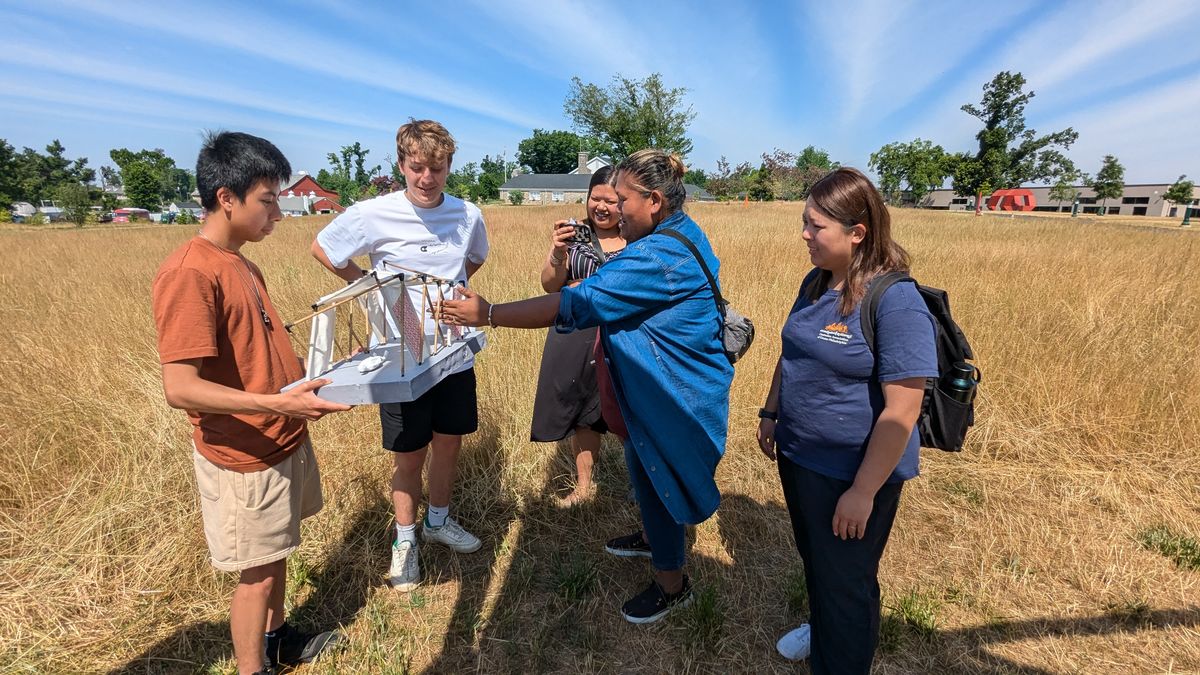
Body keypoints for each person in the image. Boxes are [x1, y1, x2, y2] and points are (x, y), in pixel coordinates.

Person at [440, 149, 733, 624]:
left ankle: (672, 584)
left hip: (675, 395)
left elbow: (573, 304)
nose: (613, 208)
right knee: (646, 470)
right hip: (652, 390)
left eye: (622, 199)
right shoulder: (677, 229)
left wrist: (489, 314)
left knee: (665, 475)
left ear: (654, 200)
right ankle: (654, 538)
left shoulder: (658, 255)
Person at [152, 131, 350, 675]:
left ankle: (278, 638)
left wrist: (331, 374)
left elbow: (257, 351)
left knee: (276, 552)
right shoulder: (191, 271)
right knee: (255, 573)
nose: (278, 214)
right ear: (226, 198)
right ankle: (251, 667)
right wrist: (279, 405)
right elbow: (181, 387)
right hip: (242, 453)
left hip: (278, 439)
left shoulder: (240, 260)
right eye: (268, 200)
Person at [757, 168, 938, 673]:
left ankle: (841, 658)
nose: (804, 235)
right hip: (800, 457)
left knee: (848, 582)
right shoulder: (816, 282)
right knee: (819, 562)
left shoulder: (896, 301)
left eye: (816, 226)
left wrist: (861, 492)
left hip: (852, 472)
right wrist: (772, 410)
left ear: (857, 233)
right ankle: (822, 629)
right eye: (804, 222)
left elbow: (902, 410)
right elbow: (790, 350)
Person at [310, 119, 489, 592]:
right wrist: (369, 288)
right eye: (416, 168)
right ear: (401, 164)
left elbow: (474, 258)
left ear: (450, 165)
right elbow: (323, 248)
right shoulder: (373, 213)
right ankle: (405, 539)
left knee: (449, 442)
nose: (426, 179)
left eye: (436, 168)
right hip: (403, 354)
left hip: (454, 351)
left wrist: (454, 291)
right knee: (409, 452)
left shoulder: (467, 214)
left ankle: (439, 520)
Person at [530, 166, 626, 506]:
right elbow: (549, 285)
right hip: (577, 335)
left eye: (611, 201)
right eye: (594, 198)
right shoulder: (576, 236)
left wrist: (586, 287)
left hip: (621, 336)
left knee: (633, 410)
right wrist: (558, 252)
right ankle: (583, 487)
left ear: (624, 203)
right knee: (584, 412)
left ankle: (643, 487)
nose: (601, 207)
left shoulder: (638, 237)